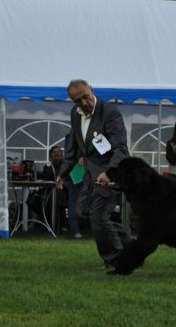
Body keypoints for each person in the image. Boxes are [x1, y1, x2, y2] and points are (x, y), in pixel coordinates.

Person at [56, 79, 131, 268]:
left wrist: (109, 173)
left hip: (110, 175)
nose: (83, 103)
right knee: (81, 212)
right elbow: (73, 148)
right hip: (90, 174)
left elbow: (121, 149)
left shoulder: (110, 113)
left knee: (98, 217)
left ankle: (116, 259)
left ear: (92, 90)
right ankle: (128, 240)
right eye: (77, 100)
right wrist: (62, 173)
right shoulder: (75, 114)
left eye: (85, 97)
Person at [38, 145, 81, 237]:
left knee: (65, 197)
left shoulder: (67, 165)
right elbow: (46, 179)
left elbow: (71, 179)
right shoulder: (48, 166)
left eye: (58, 152)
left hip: (66, 190)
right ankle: (56, 224)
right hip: (51, 191)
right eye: (54, 152)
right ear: (51, 155)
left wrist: (63, 185)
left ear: (62, 154)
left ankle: (64, 224)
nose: (56, 153)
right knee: (57, 198)